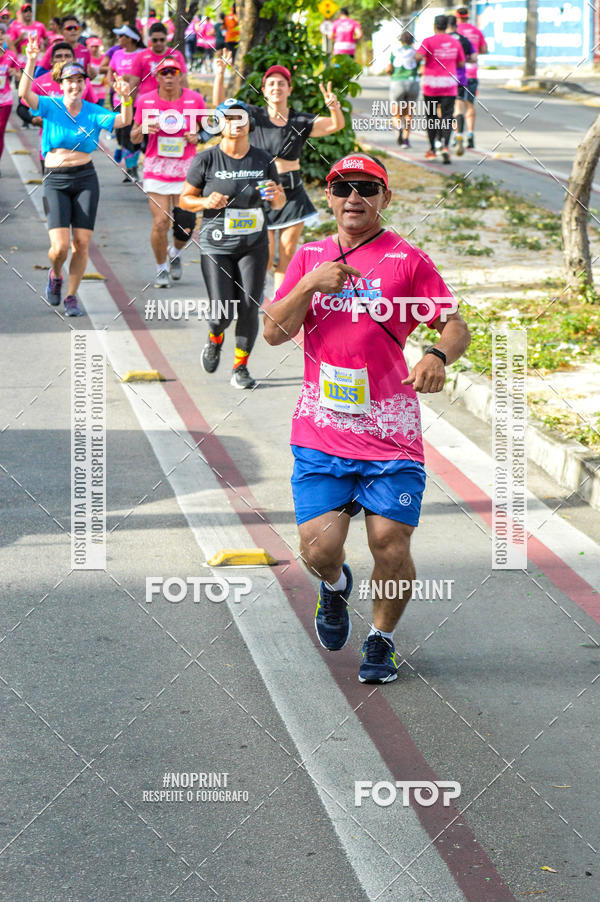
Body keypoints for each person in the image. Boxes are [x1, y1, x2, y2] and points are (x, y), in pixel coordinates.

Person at [263, 153, 470, 683]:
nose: (354, 198)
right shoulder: (309, 254)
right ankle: (334, 589)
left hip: (390, 434)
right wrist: (309, 285)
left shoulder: (407, 260)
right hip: (322, 429)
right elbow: (272, 333)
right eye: (342, 187)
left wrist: (436, 356)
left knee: (390, 544)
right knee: (319, 549)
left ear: (385, 198)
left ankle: (381, 641)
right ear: (328, 196)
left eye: (367, 188)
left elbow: (455, 326)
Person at [19, 34, 132, 316]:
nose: (75, 85)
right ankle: (55, 275)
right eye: (70, 80)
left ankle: (71, 295)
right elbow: (24, 95)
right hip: (55, 180)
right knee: (59, 248)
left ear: (84, 84)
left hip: (85, 179)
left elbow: (123, 120)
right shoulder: (50, 105)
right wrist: (31, 60)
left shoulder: (93, 111)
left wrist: (126, 98)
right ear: (62, 84)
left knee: (81, 243)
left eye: (80, 80)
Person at [214, 56, 345, 295]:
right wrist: (221, 73)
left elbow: (334, 126)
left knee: (286, 253)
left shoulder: (300, 120)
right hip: (261, 191)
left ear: (289, 89)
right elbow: (222, 105)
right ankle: (254, 296)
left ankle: (278, 301)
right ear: (264, 90)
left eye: (281, 83)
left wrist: (334, 108)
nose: (277, 87)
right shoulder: (253, 116)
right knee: (265, 252)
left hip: (293, 193)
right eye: (271, 83)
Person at [178, 98, 285, 389]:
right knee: (221, 313)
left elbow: (279, 201)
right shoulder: (206, 159)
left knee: (250, 305)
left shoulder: (263, 160)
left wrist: (275, 195)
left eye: (241, 118)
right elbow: (184, 200)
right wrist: (204, 201)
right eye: (228, 118)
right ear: (220, 123)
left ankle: (241, 367)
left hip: (253, 244)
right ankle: (215, 337)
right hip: (216, 246)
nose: (235, 123)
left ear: (248, 122)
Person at [130, 57, 206, 288]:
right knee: (161, 221)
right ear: (157, 77)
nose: (169, 76)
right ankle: (161, 268)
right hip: (157, 167)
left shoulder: (195, 100)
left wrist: (198, 137)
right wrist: (143, 128)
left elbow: (207, 130)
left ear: (181, 74)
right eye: (164, 73)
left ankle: (174, 252)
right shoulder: (145, 101)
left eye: (174, 72)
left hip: (186, 170)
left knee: (185, 225)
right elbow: (134, 136)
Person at [415, 14, 464, 164]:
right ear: (447, 26)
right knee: (447, 117)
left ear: (435, 26)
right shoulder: (455, 42)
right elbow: (461, 63)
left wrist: (427, 58)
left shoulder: (428, 41)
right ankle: (445, 147)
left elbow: (417, 57)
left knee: (431, 117)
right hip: (449, 84)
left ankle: (432, 148)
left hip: (431, 85)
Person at [109, 24, 143, 182]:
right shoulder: (117, 54)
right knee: (122, 136)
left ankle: (132, 168)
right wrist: (114, 86)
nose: (118, 39)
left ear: (130, 38)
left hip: (139, 102)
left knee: (135, 136)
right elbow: (111, 72)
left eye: (121, 36)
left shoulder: (142, 54)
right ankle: (130, 167)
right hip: (119, 101)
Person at [456, 6, 487, 148]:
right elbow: (484, 49)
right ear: (468, 16)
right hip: (473, 73)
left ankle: (458, 136)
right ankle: (470, 134)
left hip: (459, 73)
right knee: (470, 105)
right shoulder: (476, 31)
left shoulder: (456, 32)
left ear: (457, 17)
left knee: (458, 106)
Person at [130, 22, 187, 97]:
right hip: (147, 103)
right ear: (150, 39)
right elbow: (134, 83)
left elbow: (183, 81)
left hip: (170, 103)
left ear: (167, 38)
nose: (158, 43)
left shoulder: (176, 55)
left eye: (162, 40)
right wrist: (131, 106)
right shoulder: (141, 57)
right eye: (155, 40)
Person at [446, 15, 473, 156]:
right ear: (456, 26)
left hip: (444, 80)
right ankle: (459, 135)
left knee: (442, 111)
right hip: (460, 78)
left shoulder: (443, 40)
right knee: (459, 109)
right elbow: (473, 57)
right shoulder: (464, 40)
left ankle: (443, 142)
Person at [387, 31, 419, 148]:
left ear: (401, 41)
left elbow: (389, 69)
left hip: (397, 82)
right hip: (412, 82)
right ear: (412, 42)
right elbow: (420, 69)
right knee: (408, 113)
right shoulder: (416, 53)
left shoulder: (394, 52)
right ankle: (406, 139)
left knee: (396, 113)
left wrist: (392, 75)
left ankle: (399, 127)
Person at [0, 41, 19, 173]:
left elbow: (20, 72)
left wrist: (15, 72)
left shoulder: (10, 56)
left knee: (0, 133)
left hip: (5, 100)